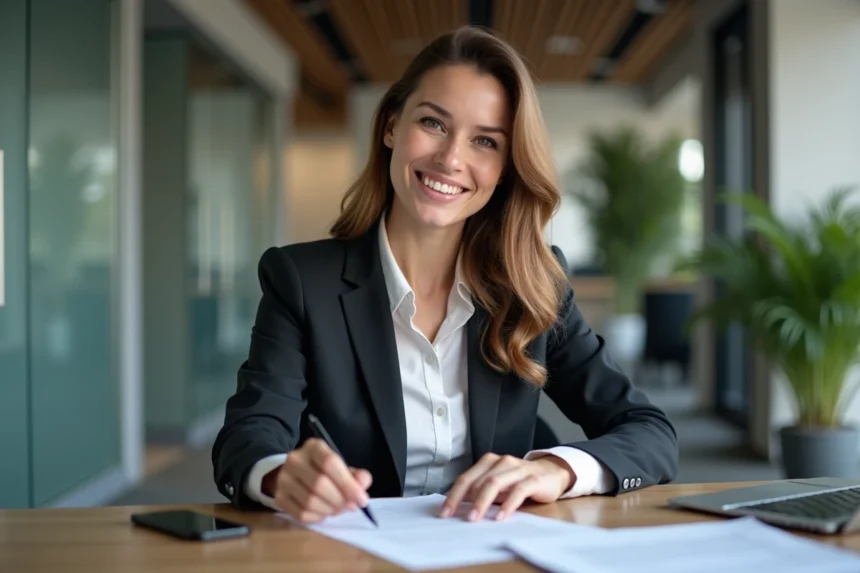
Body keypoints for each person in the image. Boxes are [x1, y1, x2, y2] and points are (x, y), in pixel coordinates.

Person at [212, 25, 678, 524]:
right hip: (354, 549)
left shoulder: (535, 285)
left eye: (485, 141)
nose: (451, 159)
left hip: (495, 545)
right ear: (392, 126)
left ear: (505, 168)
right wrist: (281, 475)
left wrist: (557, 470)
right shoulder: (302, 281)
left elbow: (649, 431)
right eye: (433, 123)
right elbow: (248, 436)